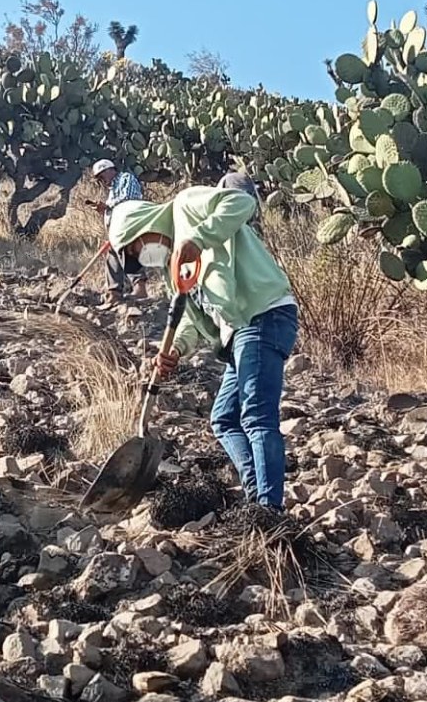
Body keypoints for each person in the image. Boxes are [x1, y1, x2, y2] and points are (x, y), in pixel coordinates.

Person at [108, 183, 298, 510]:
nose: (142, 258)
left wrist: (198, 239)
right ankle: (257, 497)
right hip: (239, 332)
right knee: (223, 419)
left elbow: (241, 202)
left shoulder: (186, 206)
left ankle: (270, 512)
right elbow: (191, 318)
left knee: (256, 417)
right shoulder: (174, 269)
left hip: (264, 315)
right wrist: (176, 350)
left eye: (135, 250)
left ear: (141, 228)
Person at [91, 158, 148, 307]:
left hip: (130, 224)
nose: (102, 180)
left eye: (102, 176)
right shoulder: (112, 191)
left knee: (126, 249)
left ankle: (140, 288)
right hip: (119, 228)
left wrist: (107, 207)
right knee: (112, 254)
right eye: (99, 178)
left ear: (110, 170)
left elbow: (128, 200)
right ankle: (114, 293)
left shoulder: (125, 178)